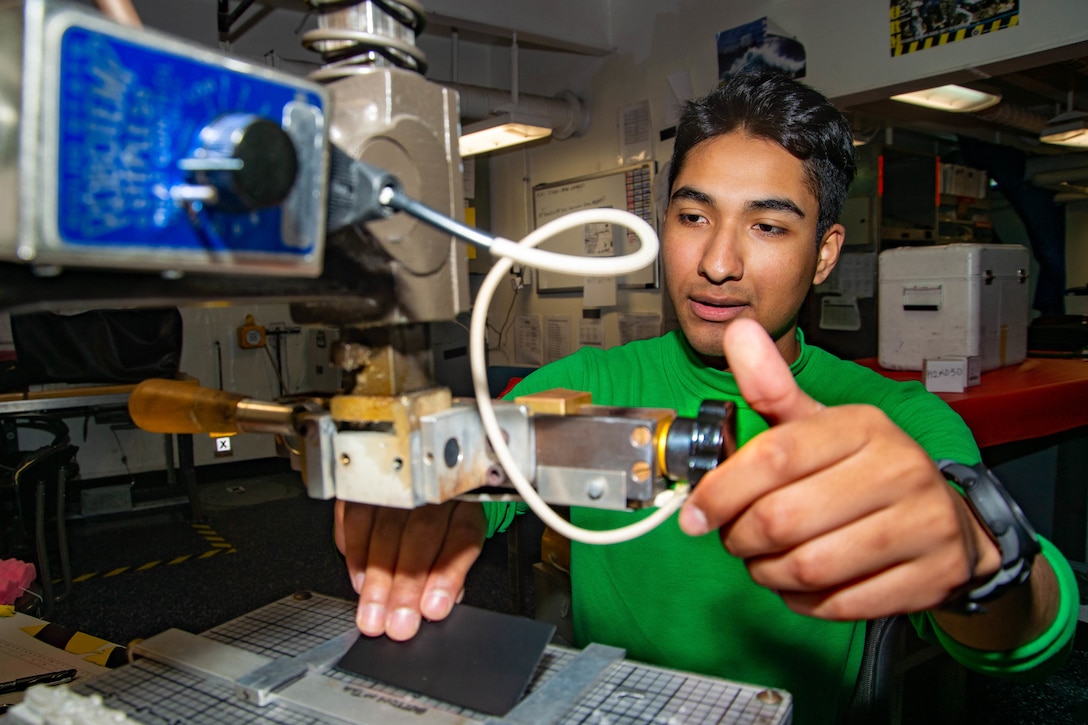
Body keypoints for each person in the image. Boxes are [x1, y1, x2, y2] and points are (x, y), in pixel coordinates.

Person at [334, 70, 1079, 724]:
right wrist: (407, 489)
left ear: (824, 252)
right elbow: (470, 474)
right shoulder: (595, 385)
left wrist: (979, 561)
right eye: (693, 217)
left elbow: (1033, 628)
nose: (718, 262)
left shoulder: (895, 421)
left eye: (767, 225)